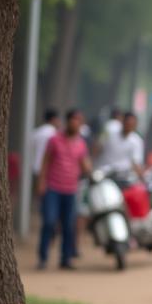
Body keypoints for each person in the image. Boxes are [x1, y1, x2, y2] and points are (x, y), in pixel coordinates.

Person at [37, 108, 91, 270]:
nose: (76, 124)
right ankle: (43, 257)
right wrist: (41, 182)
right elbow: (45, 162)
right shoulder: (54, 140)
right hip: (53, 187)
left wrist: (90, 170)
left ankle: (66, 259)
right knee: (49, 222)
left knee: (68, 225)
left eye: (79, 121)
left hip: (71, 189)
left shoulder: (81, 143)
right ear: (68, 121)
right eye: (74, 120)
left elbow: (84, 164)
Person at [97, 110, 144, 181]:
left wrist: (142, 178)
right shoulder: (110, 132)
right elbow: (98, 148)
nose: (129, 126)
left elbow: (136, 163)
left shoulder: (136, 141)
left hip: (123, 177)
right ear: (122, 122)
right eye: (127, 123)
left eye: (132, 124)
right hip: (105, 174)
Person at [29, 108, 60, 177]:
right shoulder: (55, 135)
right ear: (54, 119)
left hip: (33, 168)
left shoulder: (36, 132)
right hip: (47, 171)